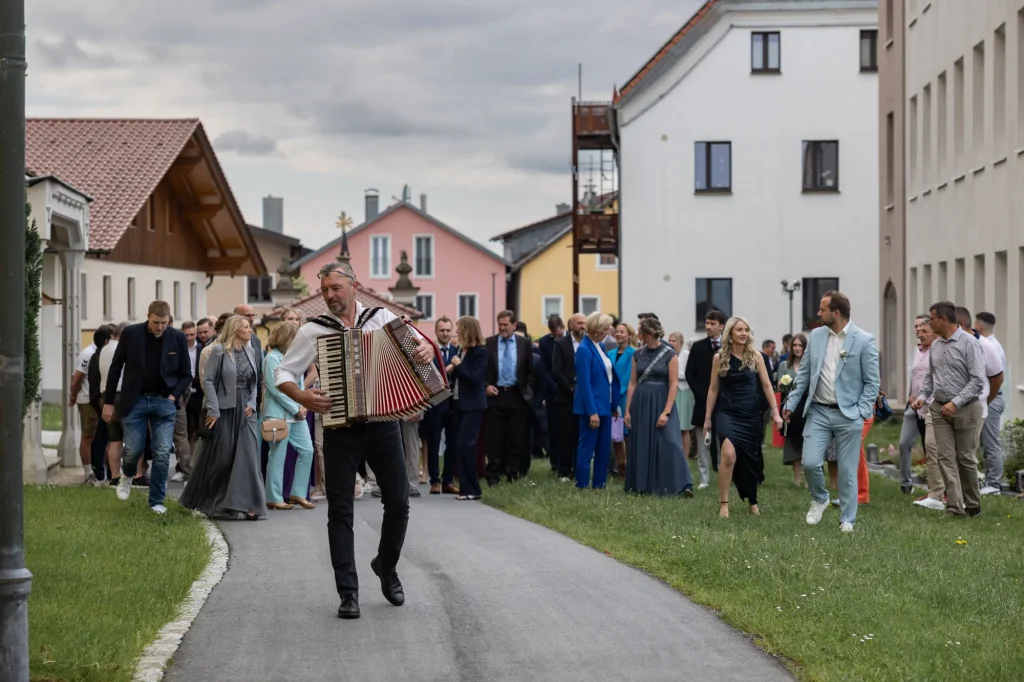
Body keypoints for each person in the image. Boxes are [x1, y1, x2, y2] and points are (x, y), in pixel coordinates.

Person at [274, 261, 436, 619]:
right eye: (325, 290)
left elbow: (421, 355)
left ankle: (386, 565)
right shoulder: (314, 331)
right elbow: (282, 372)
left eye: (336, 288)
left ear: (353, 285)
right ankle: (348, 593)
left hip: (383, 424)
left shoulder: (381, 318)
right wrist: (301, 397)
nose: (330, 296)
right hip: (339, 429)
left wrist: (426, 348)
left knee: (398, 503)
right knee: (340, 511)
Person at [783, 291, 880, 533]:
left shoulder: (864, 340)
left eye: (822, 309)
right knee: (810, 462)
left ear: (835, 312)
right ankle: (820, 498)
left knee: (847, 470)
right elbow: (804, 374)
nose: (818, 313)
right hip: (818, 411)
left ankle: (848, 519)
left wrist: (861, 411)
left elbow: (872, 383)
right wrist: (790, 404)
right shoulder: (815, 336)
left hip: (849, 415)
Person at [102, 301, 192, 514]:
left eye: (164, 323)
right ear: (148, 317)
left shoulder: (177, 338)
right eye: (155, 322)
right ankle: (127, 474)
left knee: (161, 453)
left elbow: (186, 373)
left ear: (169, 319)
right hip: (135, 400)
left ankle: (156, 501)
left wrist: (173, 395)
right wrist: (107, 402)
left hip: (164, 402)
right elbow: (116, 368)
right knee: (133, 449)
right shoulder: (131, 334)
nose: (160, 327)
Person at [180, 315, 265, 520]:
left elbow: (255, 381)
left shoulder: (251, 350)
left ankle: (249, 505)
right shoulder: (218, 351)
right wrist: (214, 409)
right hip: (224, 408)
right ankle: (208, 500)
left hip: (246, 409)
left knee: (248, 457)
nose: (250, 330)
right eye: (246, 327)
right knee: (223, 457)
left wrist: (252, 403)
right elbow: (207, 380)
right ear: (235, 329)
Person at [910, 302, 986, 517]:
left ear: (944, 320)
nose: (929, 322)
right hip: (939, 408)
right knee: (945, 457)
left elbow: (978, 381)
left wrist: (956, 402)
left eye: (932, 319)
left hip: (965, 409)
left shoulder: (969, 344)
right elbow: (931, 377)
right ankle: (954, 507)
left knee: (965, 458)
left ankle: (973, 504)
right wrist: (923, 397)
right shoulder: (936, 345)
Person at [704, 317, 781, 518]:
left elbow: (766, 385)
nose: (744, 333)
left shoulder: (756, 357)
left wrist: (775, 411)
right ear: (730, 333)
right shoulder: (719, 357)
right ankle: (724, 505)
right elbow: (713, 389)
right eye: (739, 330)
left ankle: (752, 500)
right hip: (727, 413)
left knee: (749, 460)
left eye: (746, 330)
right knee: (728, 455)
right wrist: (707, 418)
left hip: (751, 415)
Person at [624, 316, 693, 497]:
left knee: (670, 442)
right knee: (642, 443)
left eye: (641, 333)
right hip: (641, 402)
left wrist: (666, 411)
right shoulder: (637, 354)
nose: (638, 336)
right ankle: (642, 486)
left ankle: (682, 485)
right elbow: (632, 383)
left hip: (662, 401)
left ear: (650, 334)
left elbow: (673, 384)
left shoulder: (670, 354)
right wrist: (627, 411)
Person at [262, 322, 315, 510]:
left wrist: (303, 404)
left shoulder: (294, 359)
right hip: (278, 414)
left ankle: (298, 492)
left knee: (307, 450)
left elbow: (299, 387)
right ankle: (273, 497)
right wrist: (296, 407)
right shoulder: (271, 358)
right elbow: (276, 389)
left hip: (296, 414)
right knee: (277, 455)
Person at [484, 310, 534, 486]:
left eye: (506, 325)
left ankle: (513, 474)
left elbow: (530, 371)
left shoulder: (524, 344)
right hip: (495, 394)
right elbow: (481, 370)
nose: (502, 328)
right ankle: (493, 476)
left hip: (517, 395)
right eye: (500, 325)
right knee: (494, 439)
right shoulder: (488, 343)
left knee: (516, 437)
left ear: (514, 325)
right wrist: (485, 386)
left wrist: (528, 391)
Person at [573, 312, 617, 489]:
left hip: (605, 406)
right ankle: (582, 485)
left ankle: (599, 485)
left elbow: (607, 378)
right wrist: (592, 412)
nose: (609, 331)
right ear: (597, 329)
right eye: (606, 328)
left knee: (603, 449)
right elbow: (585, 385)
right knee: (586, 449)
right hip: (591, 409)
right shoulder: (584, 349)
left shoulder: (600, 346)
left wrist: (613, 405)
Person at [447, 316, 487, 500]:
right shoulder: (460, 350)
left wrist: (458, 365)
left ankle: (472, 489)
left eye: (459, 329)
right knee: (460, 445)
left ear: (467, 330)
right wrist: (452, 370)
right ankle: (466, 488)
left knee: (466, 445)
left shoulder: (480, 352)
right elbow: (461, 376)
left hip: (473, 406)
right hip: (458, 403)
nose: (456, 332)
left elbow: (474, 378)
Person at [686, 310, 726, 489]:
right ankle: (704, 479)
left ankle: (724, 475)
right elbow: (689, 373)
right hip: (703, 403)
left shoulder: (729, 347)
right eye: (707, 323)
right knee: (703, 442)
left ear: (722, 326)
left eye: (712, 324)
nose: (708, 327)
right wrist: (701, 393)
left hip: (726, 403)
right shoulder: (698, 347)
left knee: (723, 442)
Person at [899, 316, 936, 497]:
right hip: (914, 405)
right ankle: (906, 483)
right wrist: (909, 396)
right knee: (904, 443)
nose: (918, 333)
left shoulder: (937, 351)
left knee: (930, 447)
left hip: (930, 406)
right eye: (917, 329)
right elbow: (914, 376)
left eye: (923, 330)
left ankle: (935, 490)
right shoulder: (916, 351)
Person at [422, 316, 459, 494]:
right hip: (435, 403)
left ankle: (448, 480)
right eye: (442, 330)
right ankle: (434, 481)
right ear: (436, 332)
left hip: (454, 404)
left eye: (448, 330)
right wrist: (448, 368)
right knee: (434, 442)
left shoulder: (458, 351)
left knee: (452, 443)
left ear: (451, 332)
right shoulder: (430, 351)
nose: (445, 334)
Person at [551, 313, 585, 481]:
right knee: (566, 435)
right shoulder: (560, 344)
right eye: (579, 323)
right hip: (566, 397)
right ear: (571, 325)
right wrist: (571, 389)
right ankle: (564, 470)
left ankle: (580, 469)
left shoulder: (590, 343)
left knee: (581, 434)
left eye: (584, 323)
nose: (582, 326)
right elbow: (556, 371)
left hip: (585, 397)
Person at [777, 333, 808, 487]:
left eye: (800, 345)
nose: (797, 348)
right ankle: (797, 479)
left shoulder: (809, 365)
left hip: (807, 408)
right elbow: (779, 386)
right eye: (794, 345)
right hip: (789, 408)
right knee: (792, 442)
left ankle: (809, 479)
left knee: (807, 442)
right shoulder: (784, 366)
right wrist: (784, 384)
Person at [68, 335, 99, 483]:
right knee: (87, 436)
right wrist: (73, 396)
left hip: (94, 399)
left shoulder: (96, 352)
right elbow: (77, 377)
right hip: (87, 400)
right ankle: (88, 473)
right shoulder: (88, 354)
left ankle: (96, 469)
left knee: (95, 436)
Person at [608, 322, 636, 478]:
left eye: (622, 332)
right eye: (617, 331)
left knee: (626, 435)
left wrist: (618, 394)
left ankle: (631, 469)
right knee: (615, 436)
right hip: (611, 398)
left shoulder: (634, 353)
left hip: (626, 399)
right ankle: (621, 469)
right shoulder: (610, 353)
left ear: (629, 335)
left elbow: (628, 378)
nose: (618, 334)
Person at [667, 332, 694, 465]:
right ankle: (673, 456)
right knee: (672, 427)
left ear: (680, 343)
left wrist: (673, 374)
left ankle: (685, 458)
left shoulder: (687, 355)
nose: (671, 343)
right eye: (670, 340)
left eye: (674, 341)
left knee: (684, 428)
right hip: (670, 393)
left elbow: (689, 374)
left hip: (683, 392)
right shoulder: (667, 355)